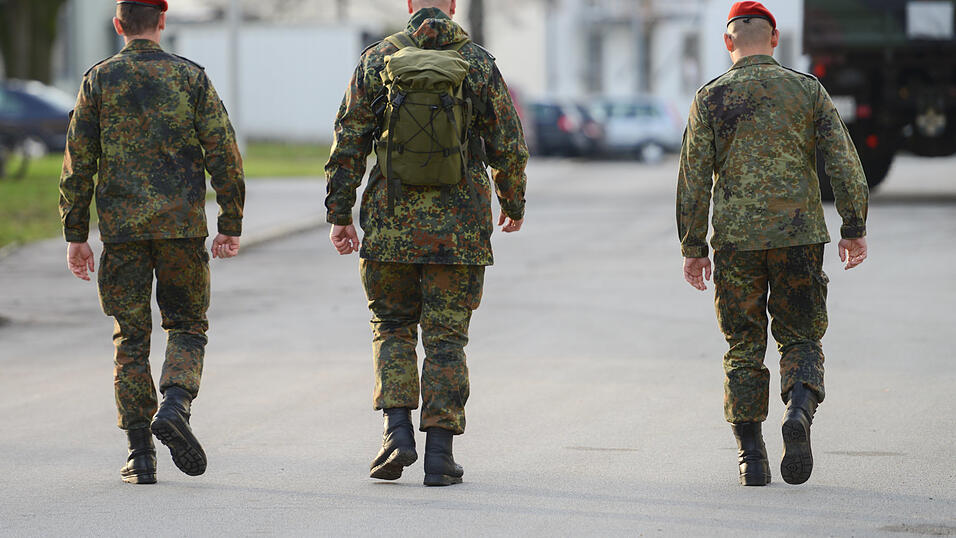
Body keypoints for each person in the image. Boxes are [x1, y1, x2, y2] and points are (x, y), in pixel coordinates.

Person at [325, 0, 528, 486]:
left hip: (390, 223)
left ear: (410, 4)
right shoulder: (478, 63)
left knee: (392, 326)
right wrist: (512, 202)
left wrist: (339, 214)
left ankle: (396, 433)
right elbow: (509, 145)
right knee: (446, 338)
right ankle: (440, 453)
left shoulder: (377, 60)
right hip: (459, 231)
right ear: (453, 5)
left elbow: (348, 139)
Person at [676, 1, 869, 486]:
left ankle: (752, 459)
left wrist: (693, 245)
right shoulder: (807, 91)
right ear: (775, 39)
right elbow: (843, 162)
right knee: (801, 335)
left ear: (728, 41)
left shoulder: (709, 98)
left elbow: (693, 179)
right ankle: (799, 411)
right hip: (800, 236)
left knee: (742, 344)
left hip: (737, 241)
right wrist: (853, 226)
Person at [59, 0, 245, 484]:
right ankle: (177, 404)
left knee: (131, 339)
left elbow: (78, 163)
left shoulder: (99, 79)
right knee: (186, 326)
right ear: (162, 21)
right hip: (182, 228)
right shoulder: (190, 78)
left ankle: (140, 454)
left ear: (119, 24)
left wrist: (76, 234)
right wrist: (230, 221)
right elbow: (223, 151)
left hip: (122, 233)